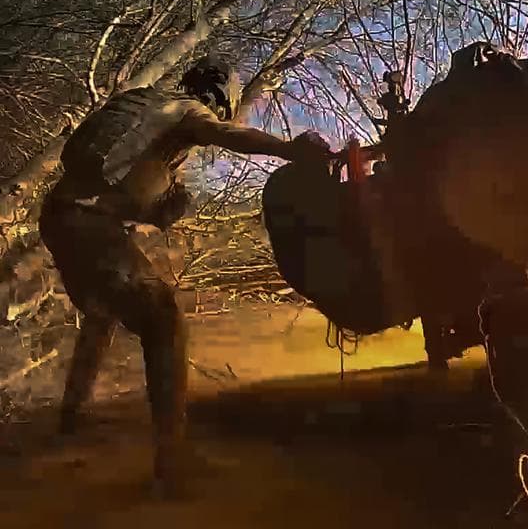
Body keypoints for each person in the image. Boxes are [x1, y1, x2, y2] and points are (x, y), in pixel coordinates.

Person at [38, 55, 333, 496]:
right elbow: (227, 134)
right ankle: (171, 466)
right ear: (222, 99)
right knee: (164, 320)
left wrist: (165, 207)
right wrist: (291, 150)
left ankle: (70, 422)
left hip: (60, 218)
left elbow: (129, 196)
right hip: (86, 225)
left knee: (102, 314)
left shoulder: (150, 109)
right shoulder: (187, 110)